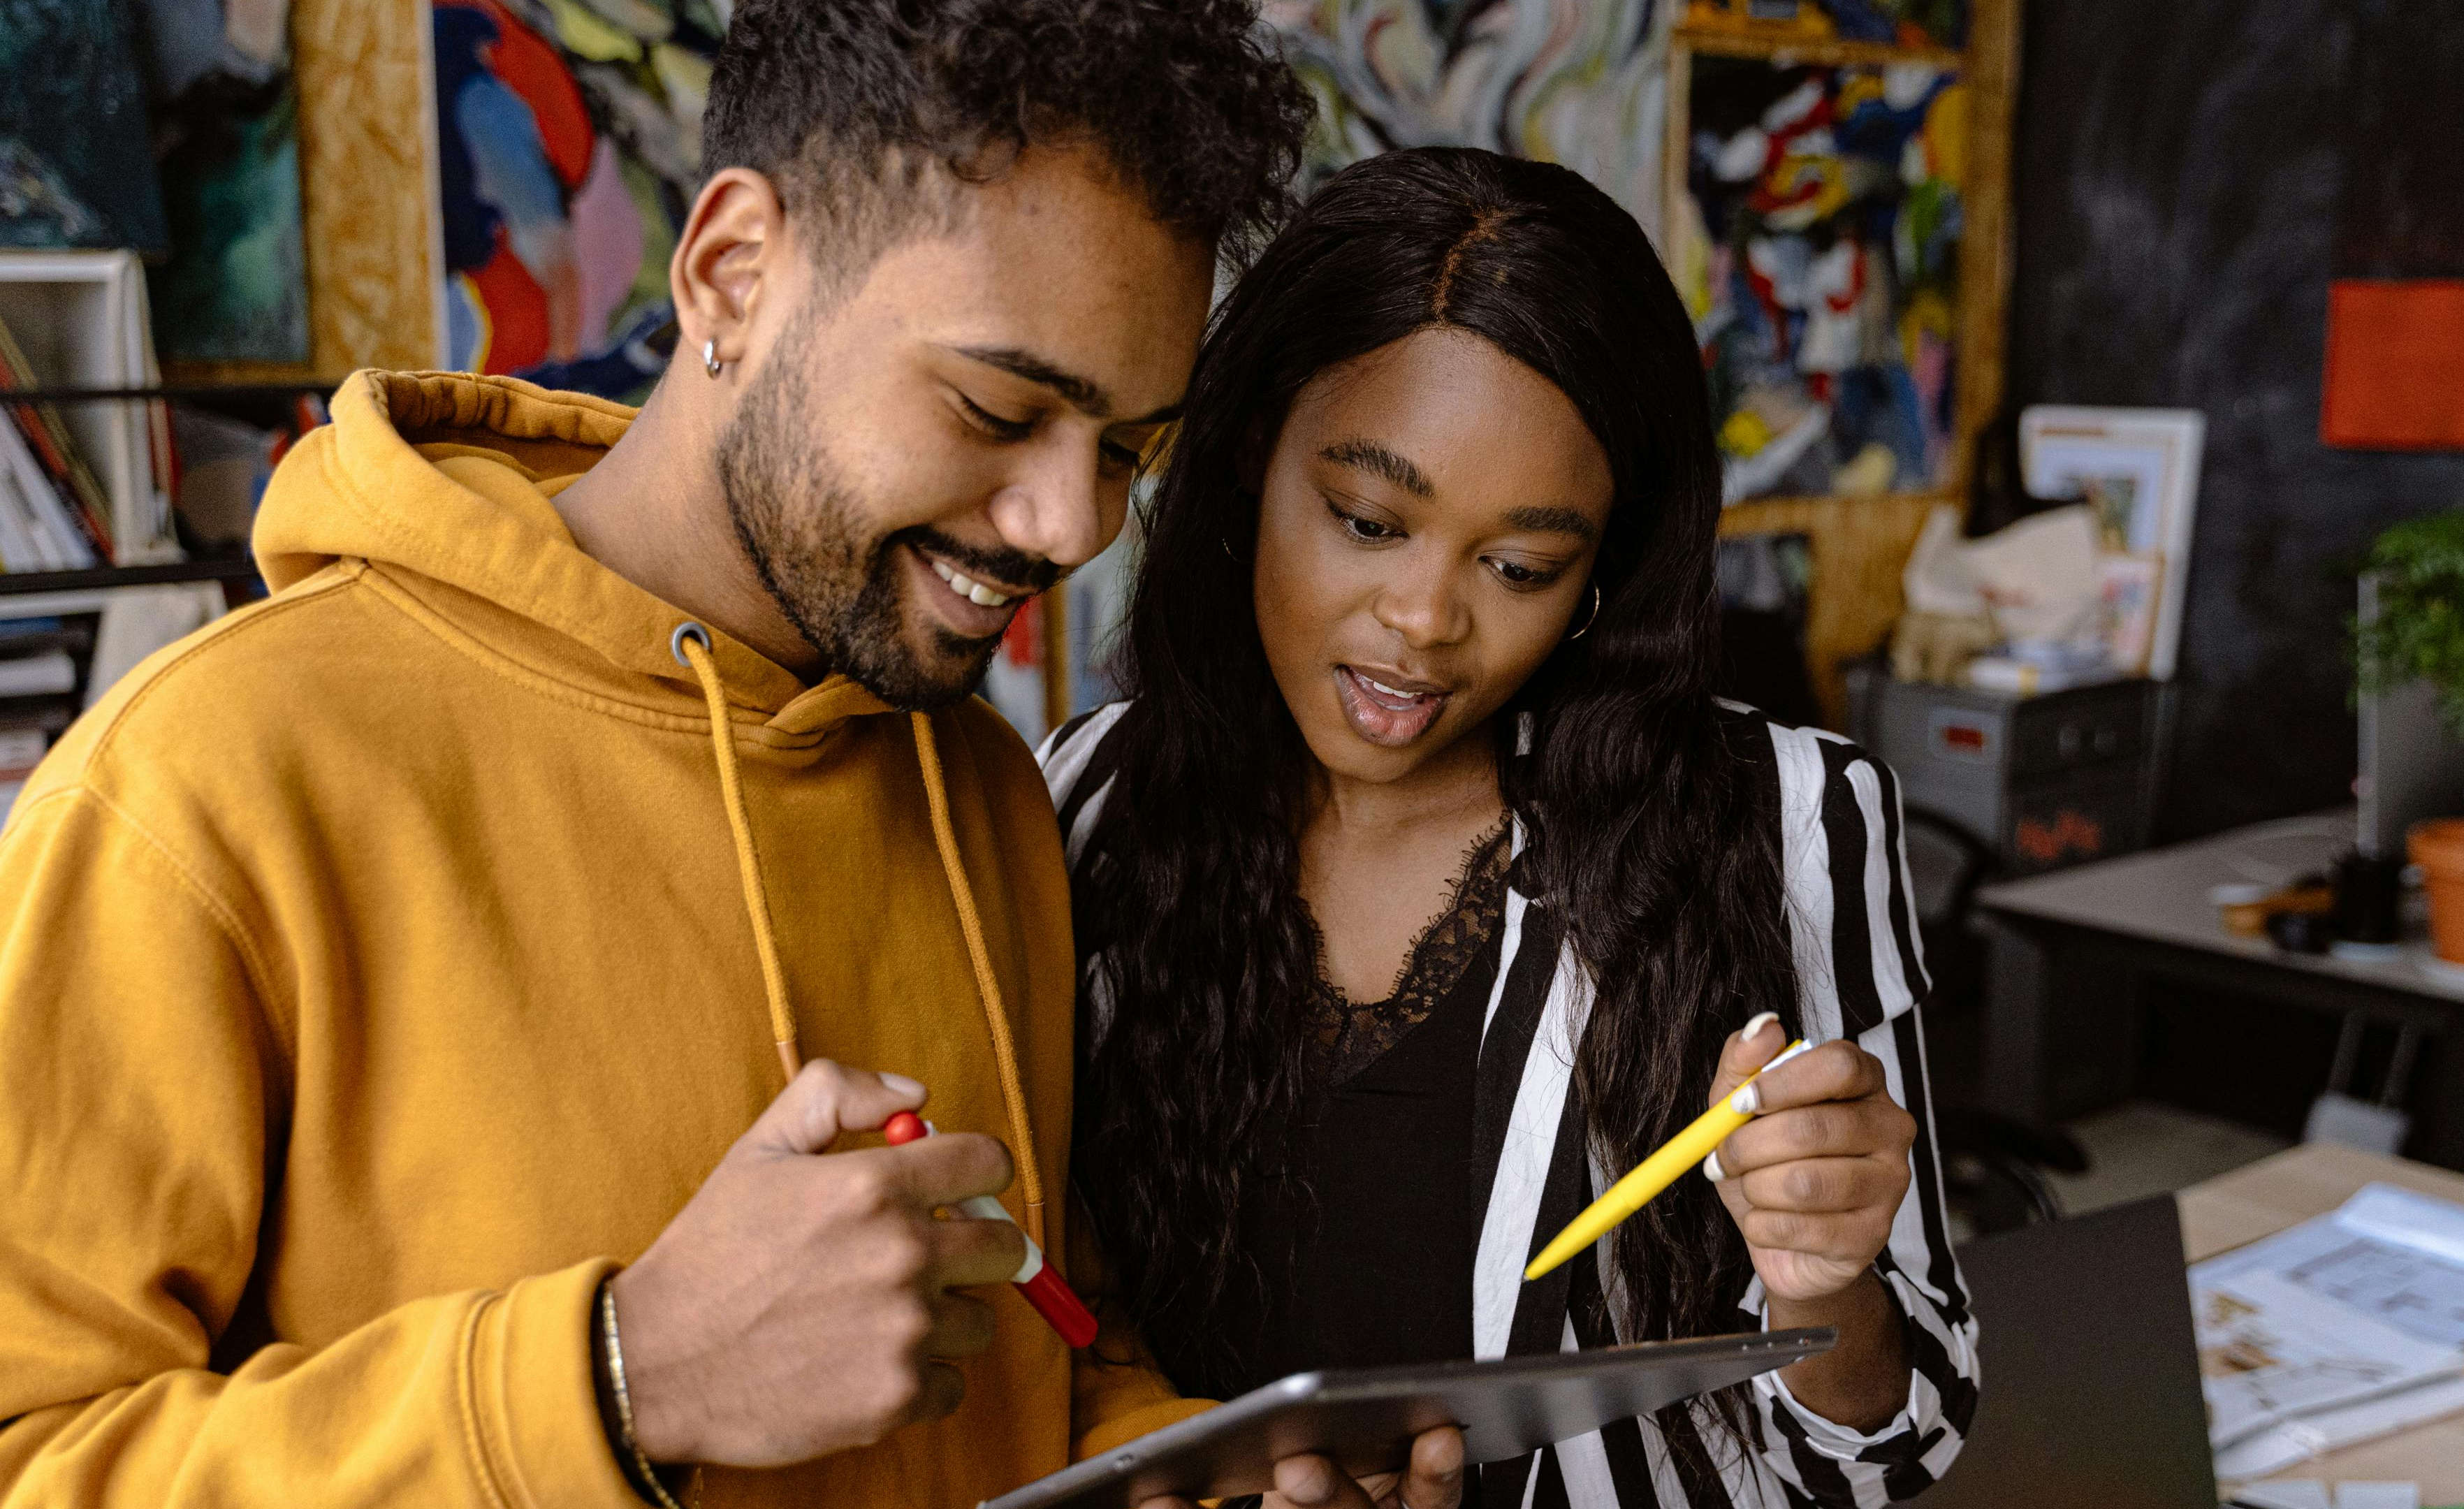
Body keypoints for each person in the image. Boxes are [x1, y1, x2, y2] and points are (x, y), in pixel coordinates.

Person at [0, 3, 1309, 1506]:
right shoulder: (204, 784)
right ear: (732, 273)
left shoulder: (980, 787)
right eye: (997, 410)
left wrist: (1166, 1466)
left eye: (1129, 450)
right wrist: (621, 1377)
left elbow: (1026, 1354)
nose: (1071, 528)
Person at [1042, 148, 1980, 1509]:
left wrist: (1823, 1281)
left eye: (1522, 565)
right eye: (1368, 520)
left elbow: (1902, 1445)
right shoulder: (1084, 808)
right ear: (1253, 459)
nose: (1425, 621)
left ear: (1603, 568)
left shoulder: (1782, 820)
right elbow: (1061, 1344)